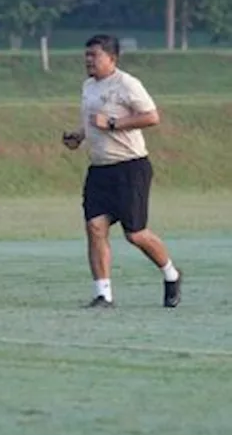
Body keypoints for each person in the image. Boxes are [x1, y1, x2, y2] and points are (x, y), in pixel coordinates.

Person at [63, 34, 182, 308]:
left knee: (135, 234)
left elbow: (152, 116)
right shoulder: (88, 86)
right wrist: (79, 135)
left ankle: (171, 274)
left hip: (130, 167)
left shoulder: (127, 84)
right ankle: (103, 294)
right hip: (99, 168)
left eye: (94, 55)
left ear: (112, 58)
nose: (88, 61)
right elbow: (95, 123)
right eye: (86, 56)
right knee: (95, 227)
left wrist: (114, 123)